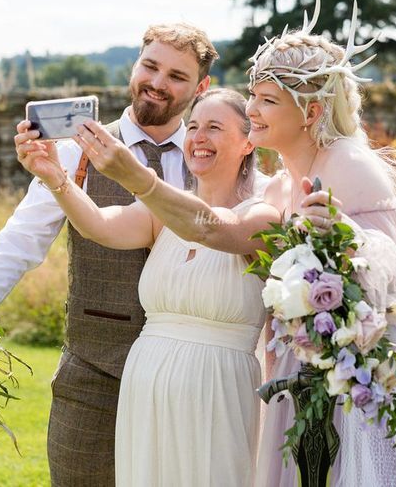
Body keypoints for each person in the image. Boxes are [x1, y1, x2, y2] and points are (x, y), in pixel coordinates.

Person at [80, 0, 396, 486]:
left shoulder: (350, 165)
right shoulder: (280, 185)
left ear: (312, 111)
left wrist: (328, 261)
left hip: (372, 367)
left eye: (267, 101)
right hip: (302, 363)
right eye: (254, 96)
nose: (253, 110)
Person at [0, 22, 218, 486]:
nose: (157, 83)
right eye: (150, 66)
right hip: (93, 375)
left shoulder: (213, 157)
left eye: (177, 76)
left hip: (187, 379)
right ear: (133, 67)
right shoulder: (74, 151)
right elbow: (20, 241)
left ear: (201, 87)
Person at [14, 88, 278, 486]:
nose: (197, 138)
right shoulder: (162, 214)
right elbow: (98, 225)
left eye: (213, 127)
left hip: (217, 390)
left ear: (247, 142)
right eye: (192, 127)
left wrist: (133, 174)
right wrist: (56, 177)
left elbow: (210, 228)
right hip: (148, 384)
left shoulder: (262, 214)